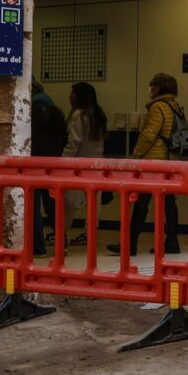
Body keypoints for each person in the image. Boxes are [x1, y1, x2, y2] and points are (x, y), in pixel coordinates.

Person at [108, 73, 182, 256]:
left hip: (154, 162)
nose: (150, 89)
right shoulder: (175, 106)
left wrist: (136, 155)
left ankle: (130, 244)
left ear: (158, 88)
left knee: (141, 202)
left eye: (152, 85)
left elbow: (149, 135)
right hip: (169, 160)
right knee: (169, 202)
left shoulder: (158, 107)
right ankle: (172, 241)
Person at [62, 82, 107, 244]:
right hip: (97, 165)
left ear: (78, 96)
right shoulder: (98, 115)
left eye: (72, 93)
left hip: (78, 166)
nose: (69, 96)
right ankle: (90, 234)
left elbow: (74, 143)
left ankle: (62, 233)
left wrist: (62, 161)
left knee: (68, 202)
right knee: (94, 202)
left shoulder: (78, 116)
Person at [30, 79, 67, 256]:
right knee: (54, 206)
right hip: (54, 165)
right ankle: (62, 244)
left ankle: (38, 247)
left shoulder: (30, 112)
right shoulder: (57, 112)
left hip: (33, 165)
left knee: (33, 207)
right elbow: (64, 139)